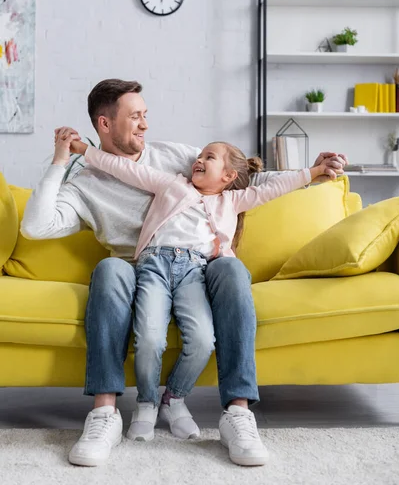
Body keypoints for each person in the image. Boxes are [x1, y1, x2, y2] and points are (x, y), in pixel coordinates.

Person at [21, 79, 347, 468]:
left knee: (231, 268)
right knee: (108, 269)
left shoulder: (174, 158)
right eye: (135, 117)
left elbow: (243, 179)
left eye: (145, 115)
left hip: (199, 268)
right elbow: (36, 227)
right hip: (139, 268)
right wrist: (63, 158)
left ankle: (238, 413)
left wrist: (311, 171)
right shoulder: (88, 182)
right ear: (105, 125)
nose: (144, 125)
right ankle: (105, 414)